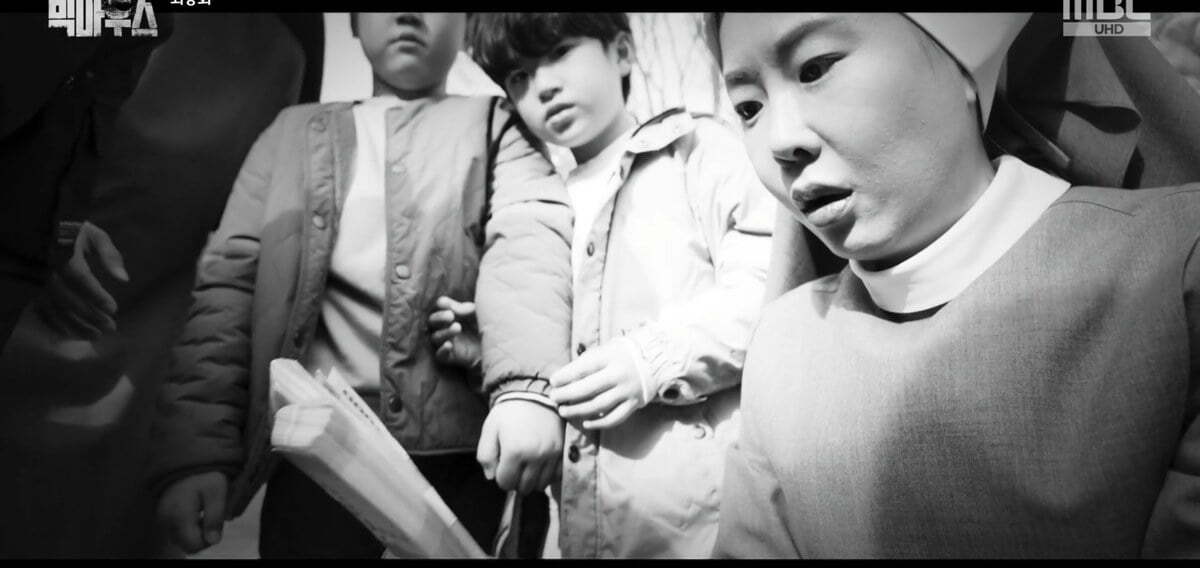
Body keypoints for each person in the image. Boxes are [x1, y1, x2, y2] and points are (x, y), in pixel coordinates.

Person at [712, 13, 1200, 557]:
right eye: (748, 108)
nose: (780, 141)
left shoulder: (1179, 268)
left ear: (962, 67)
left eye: (815, 68)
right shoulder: (782, 347)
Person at [146, 13, 572, 558]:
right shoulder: (288, 134)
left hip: (471, 462)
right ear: (351, 22)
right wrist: (195, 454)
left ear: (466, 25)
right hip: (314, 459)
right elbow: (227, 290)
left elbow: (529, 244)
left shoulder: (498, 125)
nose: (407, 14)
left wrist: (527, 389)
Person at [448, 13, 773, 558]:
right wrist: (495, 354)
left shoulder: (697, 151)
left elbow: (769, 291)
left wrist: (651, 359)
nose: (543, 86)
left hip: (706, 531)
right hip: (579, 534)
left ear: (621, 52)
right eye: (519, 77)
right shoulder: (537, 211)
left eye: (559, 53)